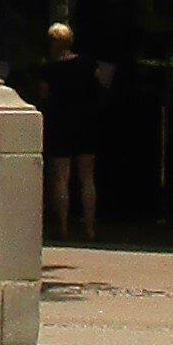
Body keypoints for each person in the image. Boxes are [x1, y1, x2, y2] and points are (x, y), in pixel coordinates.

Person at [42, 21, 112, 242]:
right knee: (87, 177)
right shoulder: (88, 63)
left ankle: (62, 227)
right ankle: (90, 228)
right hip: (86, 123)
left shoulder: (49, 69)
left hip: (61, 123)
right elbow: (102, 85)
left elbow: (44, 95)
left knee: (61, 178)